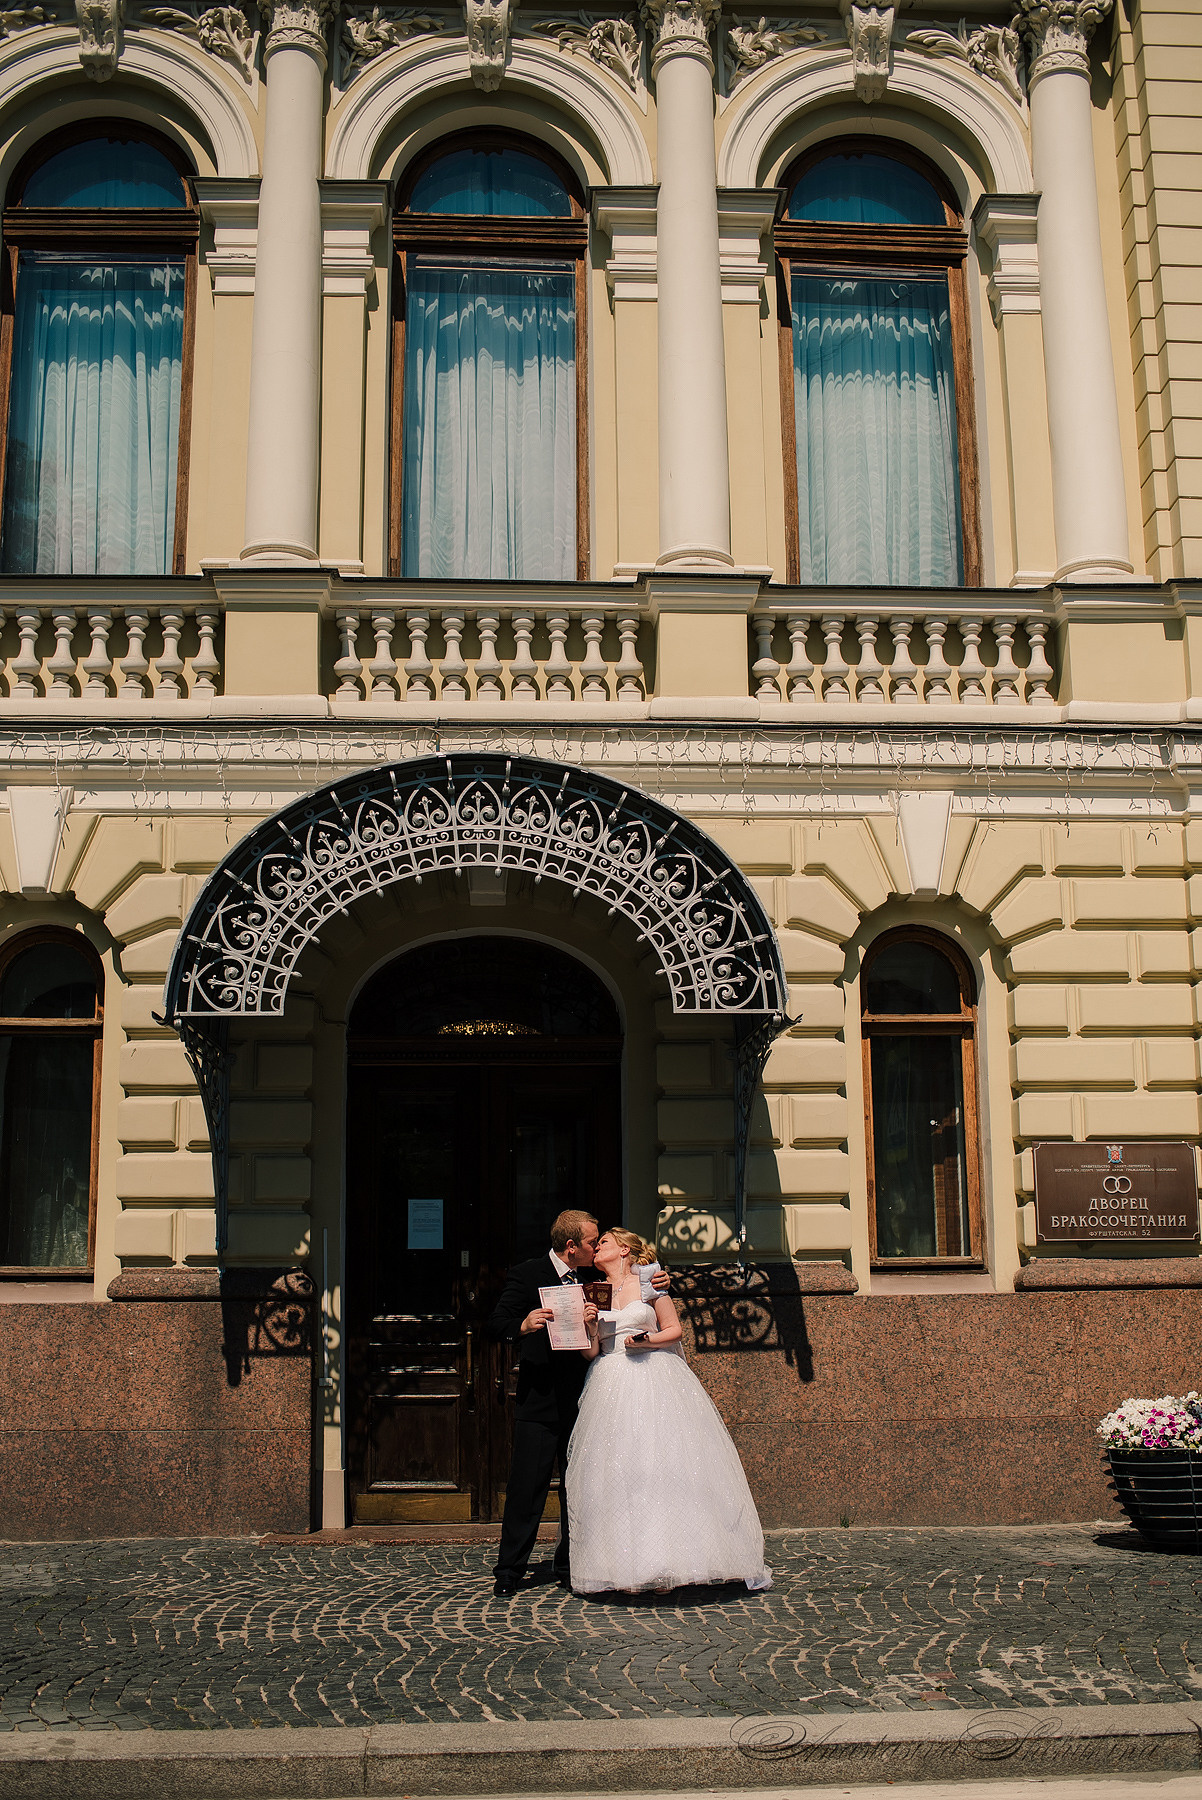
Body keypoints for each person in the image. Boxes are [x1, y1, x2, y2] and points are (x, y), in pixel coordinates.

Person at [565, 1227, 771, 1596]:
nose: (596, 1249)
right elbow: (590, 1353)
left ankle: (674, 1561)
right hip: (610, 1380)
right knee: (618, 1471)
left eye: (604, 1243)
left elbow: (674, 1330)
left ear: (624, 1250)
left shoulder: (650, 1284)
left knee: (663, 1464)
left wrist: (647, 1340)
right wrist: (590, 1325)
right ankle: (625, 1566)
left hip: (654, 1377)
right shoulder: (592, 1291)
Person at [486, 1210, 670, 1598]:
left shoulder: (595, 1278)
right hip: (540, 1399)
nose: (597, 1245)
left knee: (581, 1485)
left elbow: (640, 1283)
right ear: (572, 1246)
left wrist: (660, 1277)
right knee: (527, 1485)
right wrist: (524, 1324)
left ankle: (573, 1564)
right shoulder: (528, 1273)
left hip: (590, 1396)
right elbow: (496, 1322)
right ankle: (510, 1569)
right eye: (592, 1241)